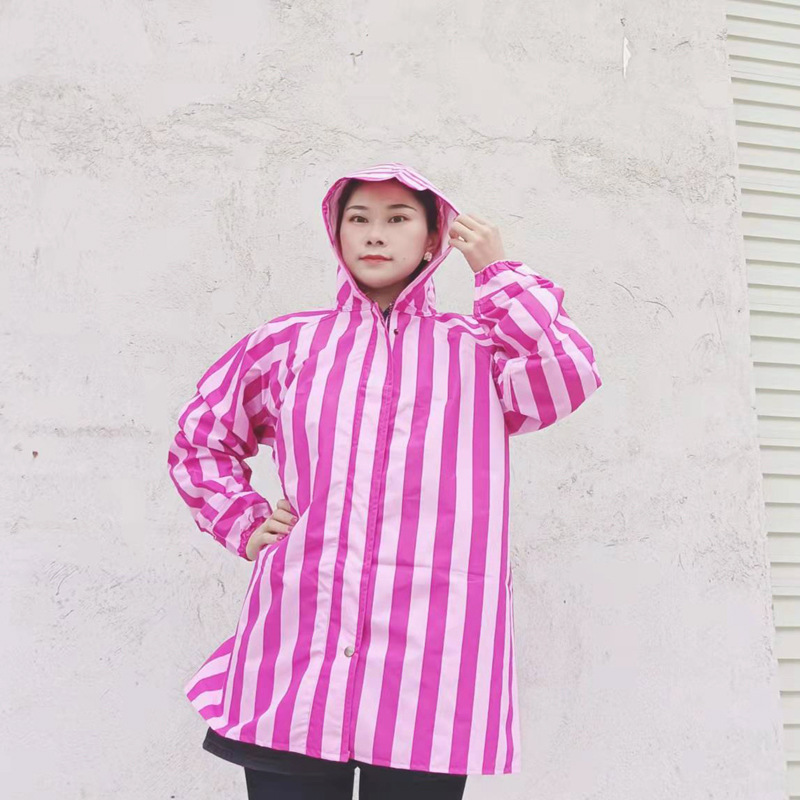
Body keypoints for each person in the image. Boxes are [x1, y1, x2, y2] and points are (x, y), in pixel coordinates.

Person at [167, 161, 602, 798]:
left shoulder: (479, 351)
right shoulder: (288, 345)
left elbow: (566, 377)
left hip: (432, 667)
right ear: (337, 233)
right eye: (359, 218)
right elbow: (201, 439)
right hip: (299, 653)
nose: (375, 234)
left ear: (432, 238)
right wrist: (246, 522)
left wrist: (498, 273)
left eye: (398, 219)